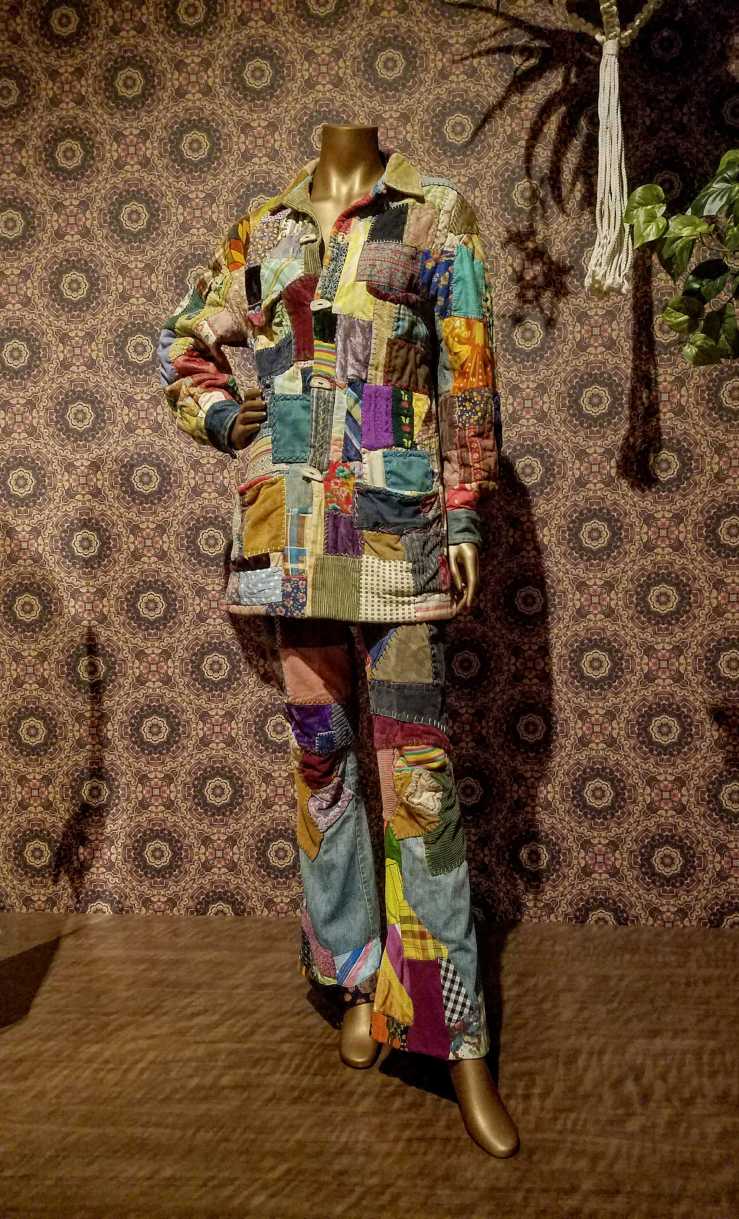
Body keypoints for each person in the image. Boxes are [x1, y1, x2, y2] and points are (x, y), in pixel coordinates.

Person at [157, 124, 518, 1157]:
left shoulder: (434, 215)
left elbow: (467, 375)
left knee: (419, 784)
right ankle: (355, 977)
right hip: (288, 536)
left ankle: (450, 1030)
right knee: (320, 768)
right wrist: (225, 418)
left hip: (396, 535)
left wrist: (463, 513)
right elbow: (184, 342)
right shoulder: (261, 229)